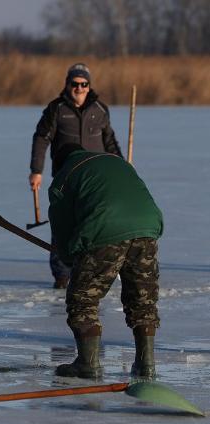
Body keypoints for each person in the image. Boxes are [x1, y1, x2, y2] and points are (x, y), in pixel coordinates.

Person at [48, 142, 162, 379]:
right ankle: (146, 364)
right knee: (142, 297)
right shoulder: (117, 162)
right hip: (147, 227)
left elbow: (62, 231)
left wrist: (72, 257)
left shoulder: (64, 175)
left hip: (105, 230)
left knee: (82, 298)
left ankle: (87, 363)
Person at [29, 63, 123, 289]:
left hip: (96, 178)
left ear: (89, 86)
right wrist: (36, 170)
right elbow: (41, 139)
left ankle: (94, 271)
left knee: (95, 223)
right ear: (67, 84)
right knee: (64, 223)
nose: (79, 88)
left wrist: (122, 169)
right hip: (66, 177)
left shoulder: (100, 109)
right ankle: (62, 274)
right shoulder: (56, 109)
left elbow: (109, 142)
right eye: (75, 83)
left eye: (84, 84)